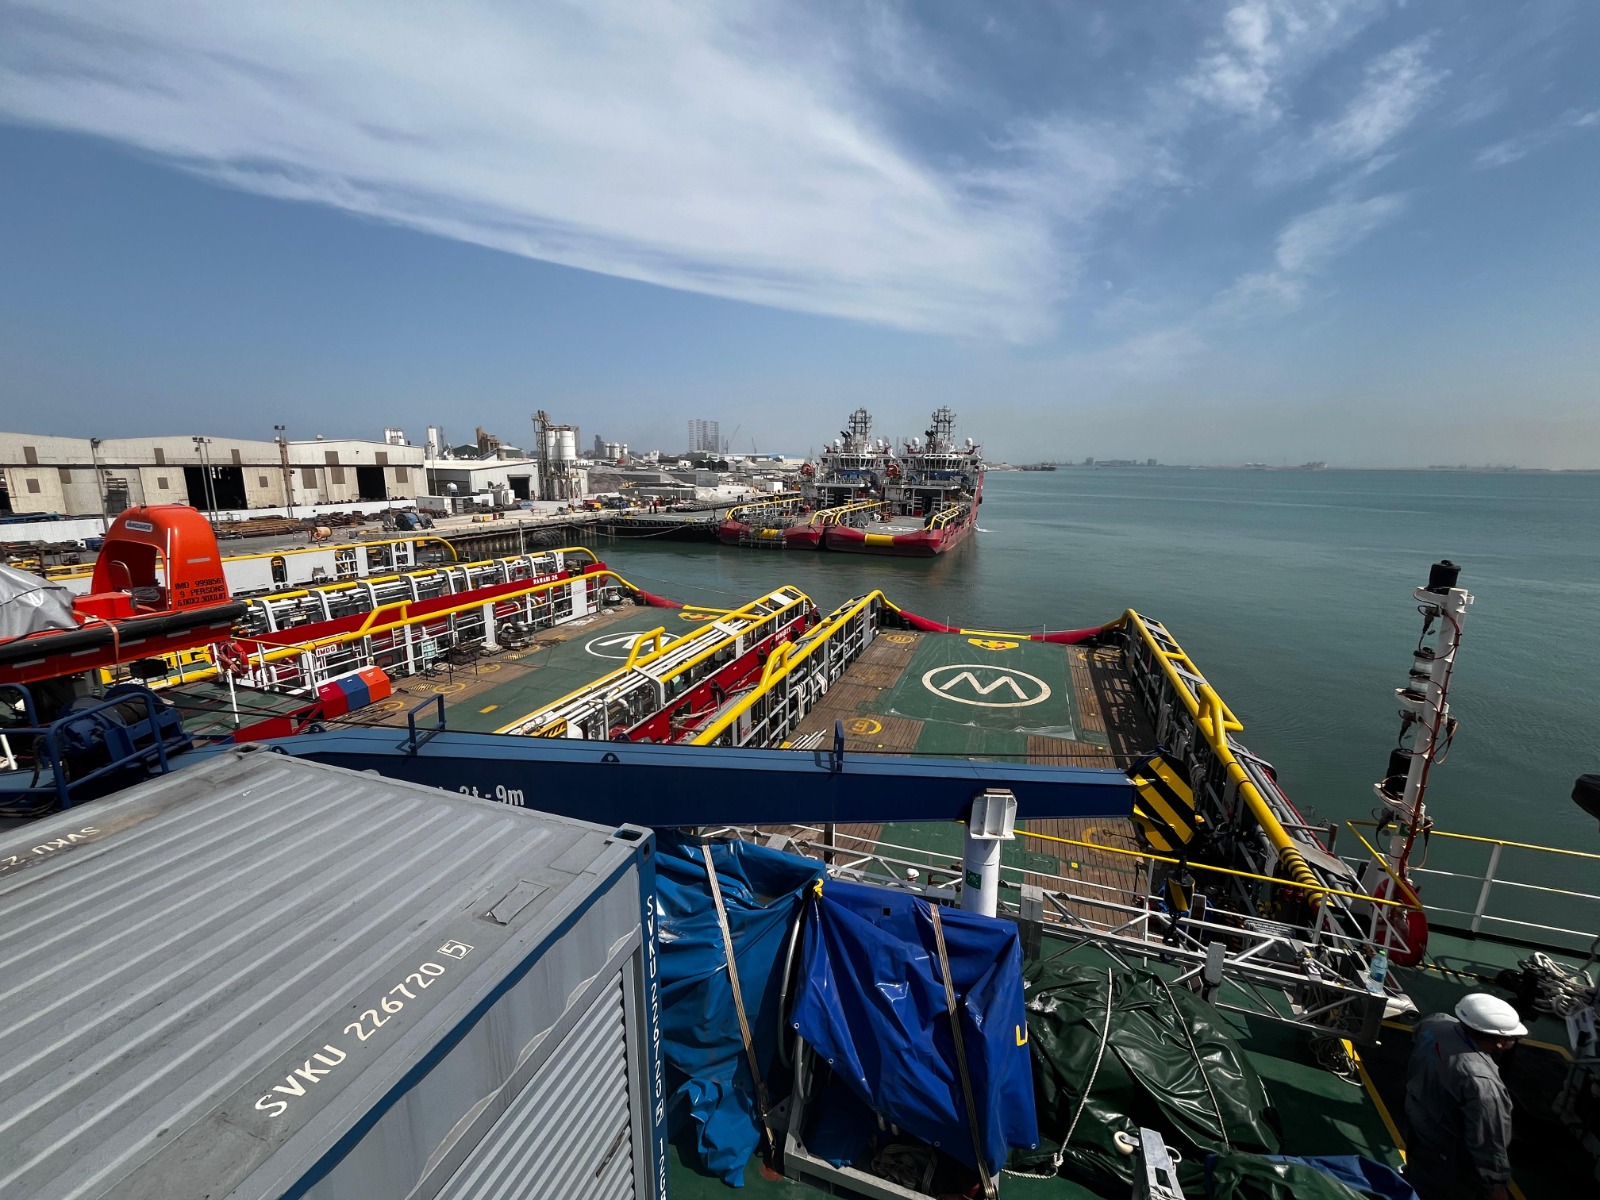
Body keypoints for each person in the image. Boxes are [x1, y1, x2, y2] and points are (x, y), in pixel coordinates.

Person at [1403, 992, 1525, 1200]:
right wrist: (1496, 1187)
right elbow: (1488, 1139)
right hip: (1446, 1156)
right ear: (1500, 1042)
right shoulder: (1482, 1083)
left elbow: (1418, 1037)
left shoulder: (1435, 1023)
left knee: (1413, 1181)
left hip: (1419, 1126)